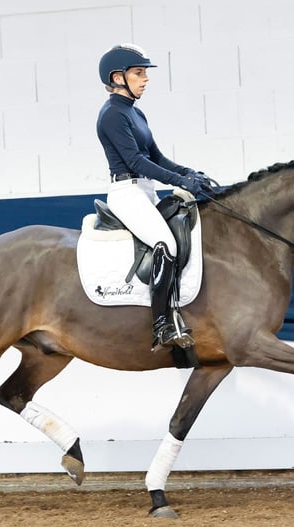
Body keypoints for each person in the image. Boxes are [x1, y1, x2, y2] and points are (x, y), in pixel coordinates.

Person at [96, 43, 209, 352]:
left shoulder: (135, 112)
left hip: (145, 190)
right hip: (126, 192)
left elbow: (156, 156)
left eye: (145, 73)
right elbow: (136, 162)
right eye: (138, 73)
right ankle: (161, 324)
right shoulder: (111, 116)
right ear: (118, 77)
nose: (145, 79)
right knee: (166, 244)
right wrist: (178, 181)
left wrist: (190, 173)